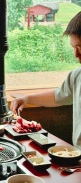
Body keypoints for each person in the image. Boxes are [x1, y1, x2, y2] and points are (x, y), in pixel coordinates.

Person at [10, 11, 81, 150]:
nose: (76, 54)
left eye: (79, 47)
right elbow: (58, 96)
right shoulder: (77, 76)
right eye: (73, 47)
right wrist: (26, 98)